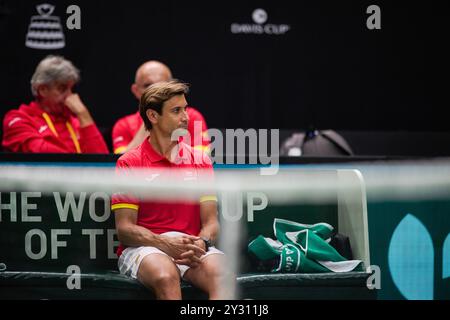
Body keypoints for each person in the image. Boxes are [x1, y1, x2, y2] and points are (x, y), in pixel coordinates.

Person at [111, 80, 229, 300]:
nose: (186, 117)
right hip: (144, 247)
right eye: (176, 111)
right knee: (165, 276)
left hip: (189, 246)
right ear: (153, 116)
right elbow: (125, 230)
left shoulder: (200, 160)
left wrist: (201, 242)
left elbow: (211, 223)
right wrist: (165, 244)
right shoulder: (129, 162)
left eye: (185, 108)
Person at [2, 55, 109, 153]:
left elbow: (102, 163)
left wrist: (83, 114)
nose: (69, 96)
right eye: (62, 88)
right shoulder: (18, 120)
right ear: (42, 90)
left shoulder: (76, 122)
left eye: (71, 88)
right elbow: (43, 155)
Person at [112, 60, 209, 154]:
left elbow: (202, 160)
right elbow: (119, 165)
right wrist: (149, 122)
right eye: (147, 85)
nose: (154, 92)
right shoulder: (123, 125)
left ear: (172, 88)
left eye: (161, 85)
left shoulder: (191, 117)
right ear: (136, 90)